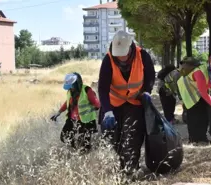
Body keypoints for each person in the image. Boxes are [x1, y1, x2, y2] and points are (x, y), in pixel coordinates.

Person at [98, 31, 155, 175]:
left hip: (134, 102)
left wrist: (147, 91)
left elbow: (150, 76)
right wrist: (108, 112)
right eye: (119, 55)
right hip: (114, 104)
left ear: (130, 48)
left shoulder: (143, 56)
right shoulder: (108, 60)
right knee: (114, 139)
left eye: (124, 54)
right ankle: (118, 169)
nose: (121, 58)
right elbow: (102, 89)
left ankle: (131, 170)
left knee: (133, 136)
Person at [177, 56, 211, 144]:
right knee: (194, 115)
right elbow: (203, 93)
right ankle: (194, 140)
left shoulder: (210, 73)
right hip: (188, 91)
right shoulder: (200, 73)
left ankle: (202, 138)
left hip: (196, 91)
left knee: (204, 116)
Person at [50, 72, 100, 153]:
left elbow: (97, 105)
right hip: (72, 120)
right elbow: (67, 102)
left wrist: (90, 110)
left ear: (77, 83)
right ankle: (76, 150)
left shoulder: (87, 90)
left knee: (84, 144)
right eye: (69, 87)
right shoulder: (70, 92)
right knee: (64, 137)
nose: (70, 88)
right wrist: (58, 112)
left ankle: (88, 156)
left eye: (72, 86)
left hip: (86, 121)